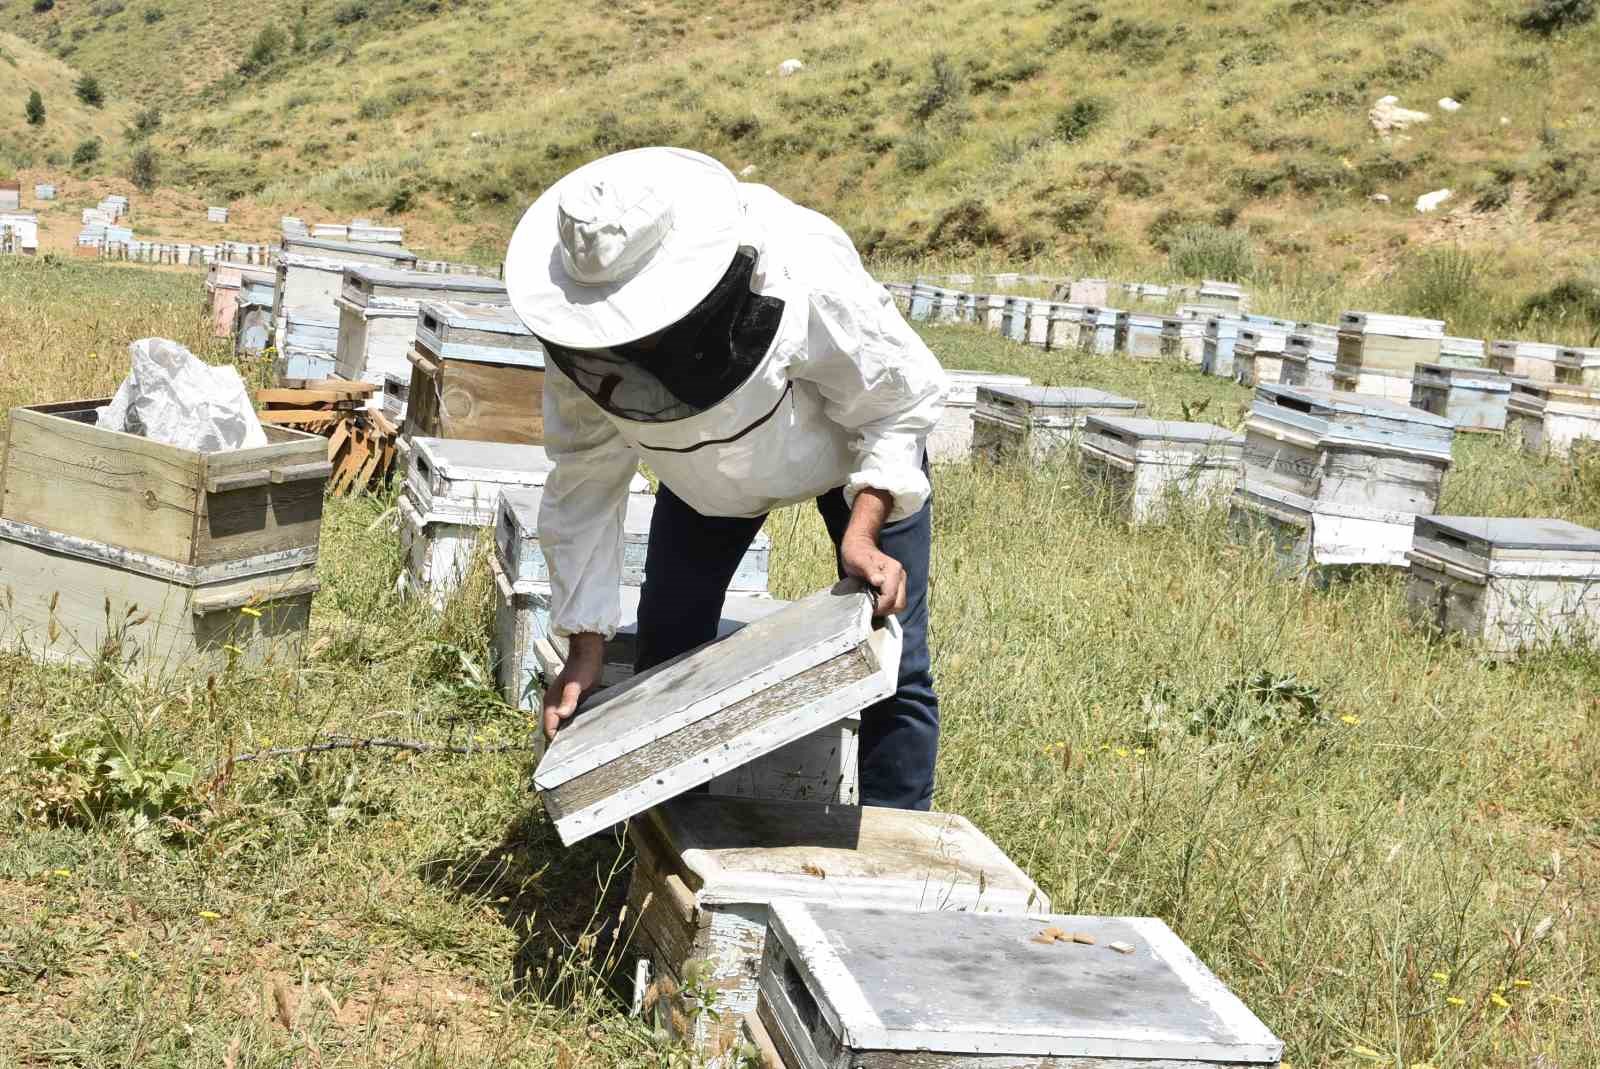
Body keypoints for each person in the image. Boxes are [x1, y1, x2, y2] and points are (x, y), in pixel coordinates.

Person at [504, 147, 948, 811]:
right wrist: (585, 642)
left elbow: (897, 397)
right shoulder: (583, 341)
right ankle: (672, 842)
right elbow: (584, 480)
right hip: (705, 485)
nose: (638, 350)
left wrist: (864, 530)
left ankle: (896, 857)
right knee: (667, 653)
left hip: (848, 447)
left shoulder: (804, 267)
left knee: (894, 661)